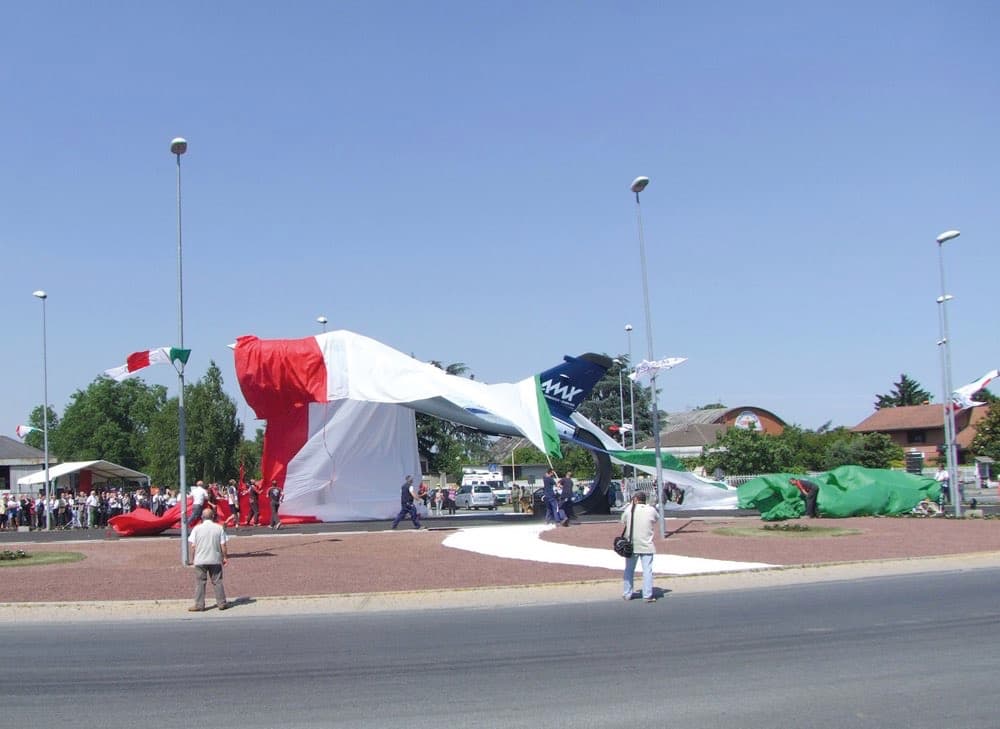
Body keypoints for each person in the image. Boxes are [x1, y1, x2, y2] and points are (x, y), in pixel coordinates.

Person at [186, 507, 230, 612]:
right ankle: (221, 603)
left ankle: (199, 604)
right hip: (215, 559)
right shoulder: (219, 528)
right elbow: (223, 545)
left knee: (200, 582)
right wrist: (225, 557)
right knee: (217, 581)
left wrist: (193, 559)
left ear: (202, 517)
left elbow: (193, 546)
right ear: (213, 517)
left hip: (200, 559)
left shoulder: (197, 529)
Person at [620, 491, 658, 602]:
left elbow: (623, 520)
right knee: (647, 570)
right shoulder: (651, 510)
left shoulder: (629, 509)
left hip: (632, 544)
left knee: (629, 569)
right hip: (647, 544)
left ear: (635, 499)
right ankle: (647, 595)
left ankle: (627, 593)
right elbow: (656, 519)